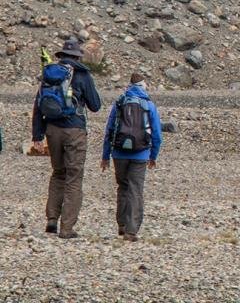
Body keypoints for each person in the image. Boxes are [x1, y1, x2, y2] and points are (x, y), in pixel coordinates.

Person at [32, 38, 102, 238]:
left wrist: (37, 135)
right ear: (77, 57)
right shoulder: (82, 74)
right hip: (74, 131)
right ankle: (67, 228)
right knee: (73, 177)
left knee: (58, 173)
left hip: (51, 130)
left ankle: (51, 220)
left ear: (62, 55)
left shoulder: (49, 74)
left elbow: (38, 106)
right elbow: (95, 105)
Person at [101, 73, 163, 242]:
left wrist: (105, 156)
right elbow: (157, 134)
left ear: (130, 85)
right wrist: (153, 156)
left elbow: (109, 130)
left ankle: (121, 224)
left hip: (119, 153)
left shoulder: (120, 102)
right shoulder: (149, 105)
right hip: (141, 154)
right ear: (143, 85)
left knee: (123, 187)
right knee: (136, 190)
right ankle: (131, 230)